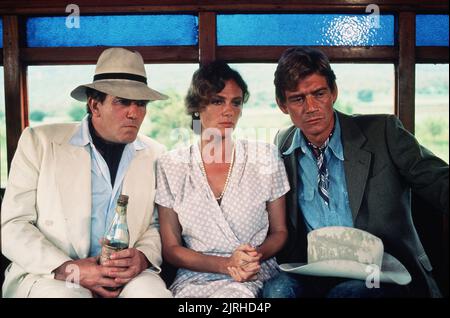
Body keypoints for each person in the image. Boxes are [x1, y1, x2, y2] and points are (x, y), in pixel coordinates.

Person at [263, 47, 449, 298]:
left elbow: (438, 180)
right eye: (298, 98)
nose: (311, 107)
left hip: (384, 271)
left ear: (334, 93)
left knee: (347, 294)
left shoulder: (383, 132)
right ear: (282, 105)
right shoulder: (282, 146)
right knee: (277, 291)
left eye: (319, 94)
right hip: (313, 270)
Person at [1, 47, 173, 298]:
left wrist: (143, 257)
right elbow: (13, 225)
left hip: (126, 276)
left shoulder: (155, 153)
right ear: (94, 105)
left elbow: (156, 224)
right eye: (122, 101)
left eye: (141, 103)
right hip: (50, 272)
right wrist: (67, 268)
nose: (134, 113)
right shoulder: (40, 143)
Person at [155, 61, 290, 298]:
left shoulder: (265, 157)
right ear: (197, 107)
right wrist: (225, 264)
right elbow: (172, 249)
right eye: (218, 101)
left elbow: (280, 232)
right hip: (194, 279)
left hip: (253, 275)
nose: (229, 111)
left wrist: (251, 258)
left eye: (235, 102)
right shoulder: (172, 165)